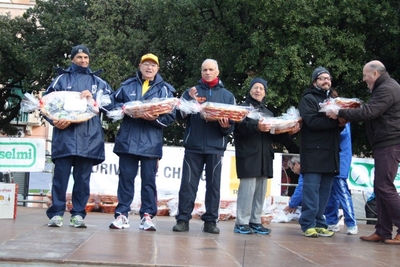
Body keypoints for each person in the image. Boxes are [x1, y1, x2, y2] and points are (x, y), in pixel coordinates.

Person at [326, 60, 400, 244]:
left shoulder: (387, 88)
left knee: (384, 186)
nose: (364, 79)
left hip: (389, 143)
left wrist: (340, 112)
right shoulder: (386, 87)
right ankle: (382, 231)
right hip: (385, 142)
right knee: (380, 187)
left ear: (375, 74)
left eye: (365, 75)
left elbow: (369, 112)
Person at [46, 45, 113, 228]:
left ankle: (78, 214)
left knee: (82, 180)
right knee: (60, 179)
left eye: (86, 57)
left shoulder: (98, 82)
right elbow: (46, 104)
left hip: (88, 139)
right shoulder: (61, 79)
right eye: (79, 57)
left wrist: (93, 99)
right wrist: (55, 121)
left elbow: (110, 105)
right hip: (64, 137)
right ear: (72, 59)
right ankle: (57, 214)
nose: (83, 60)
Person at [109, 53, 176, 231]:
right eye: (146, 64)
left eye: (153, 65)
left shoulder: (166, 90)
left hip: (151, 143)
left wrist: (153, 118)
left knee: (149, 181)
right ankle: (121, 214)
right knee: (125, 179)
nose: (149, 67)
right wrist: (126, 110)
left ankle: (147, 216)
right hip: (127, 141)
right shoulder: (127, 86)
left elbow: (171, 116)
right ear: (139, 66)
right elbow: (112, 106)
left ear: (158, 69)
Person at [172, 59, 234, 234]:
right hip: (194, 146)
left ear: (217, 72)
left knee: (214, 186)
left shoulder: (228, 95)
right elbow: (180, 115)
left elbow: (233, 122)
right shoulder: (191, 92)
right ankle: (183, 219)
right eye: (205, 70)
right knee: (187, 185)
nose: (207, 72)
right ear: (201, 72)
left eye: (211, 69)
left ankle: (211, 221)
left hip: (216, 147)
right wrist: (190, 100)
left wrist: (226, 126)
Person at [233, 78, 300, 235]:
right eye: (255, 87)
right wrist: (256, 126)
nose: (258, 90)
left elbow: (274, 136)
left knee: (260, 191)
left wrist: (289, 132)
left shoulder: (268, 113)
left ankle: (255, 221)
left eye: (261, 88)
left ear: (265, 92)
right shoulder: (242, 109)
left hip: (265, 157)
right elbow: (239, 128)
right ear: (250, 90)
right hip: (248, 156)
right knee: (247, 191)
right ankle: (241, 222)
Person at [298, 66, 343, 238]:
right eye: (322, 78)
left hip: (330, 153)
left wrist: (341, 121)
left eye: (328, 78)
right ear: (314, 82)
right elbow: (311, 122)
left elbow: (336, 128)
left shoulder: (335, 100)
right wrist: (336, 122)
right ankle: (307, 223)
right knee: (311, 190)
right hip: (313, 152)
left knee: (325, 191)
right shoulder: (308, 99)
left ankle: (320, 223)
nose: (326, 81)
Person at [325, 89, 358, 235]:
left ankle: (351, 223)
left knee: (342, 191)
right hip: (330, 158)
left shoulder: (342, 116)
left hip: (341, 158)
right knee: (330, 192)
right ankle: (332, 221)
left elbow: (343, 133)